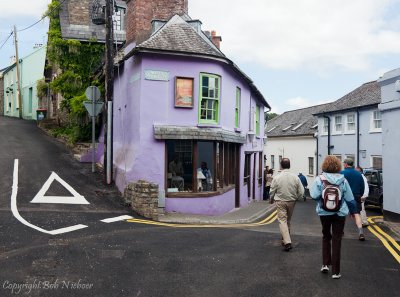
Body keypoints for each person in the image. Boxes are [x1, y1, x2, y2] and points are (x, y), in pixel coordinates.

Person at [310, 155, 357, 279]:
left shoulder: (319, 179)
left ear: (324, 165)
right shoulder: (343, 180)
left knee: (326, 236)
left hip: (324, 213)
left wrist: (322, 201)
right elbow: (350, 198)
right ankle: (336, 272)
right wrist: (353, 212)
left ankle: (325, 264)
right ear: (338, 166)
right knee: (337, 239)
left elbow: (314, 195)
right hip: (340, 213)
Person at [269, 158, 304, 251]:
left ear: (281, 166)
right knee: (287, 220)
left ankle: (287, 242)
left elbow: (272, 190)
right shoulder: (295, 177)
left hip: (280, 201)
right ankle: (285, 239)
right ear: (290, 165)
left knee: (282, 220)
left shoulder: (277, 177)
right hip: (292, 201)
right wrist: (298, 197)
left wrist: (271, 199)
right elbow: (301, 191)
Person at [341, 158, 366, 241]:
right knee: (357, 214)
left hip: (344, 196)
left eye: (344, 163)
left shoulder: (342, 173)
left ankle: (341, 231)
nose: (343, 164)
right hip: (356, 196)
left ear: (346, 164)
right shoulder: (358, 174)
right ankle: (361, 233)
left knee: (342, 214)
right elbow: (362, 186)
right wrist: (360, 195)